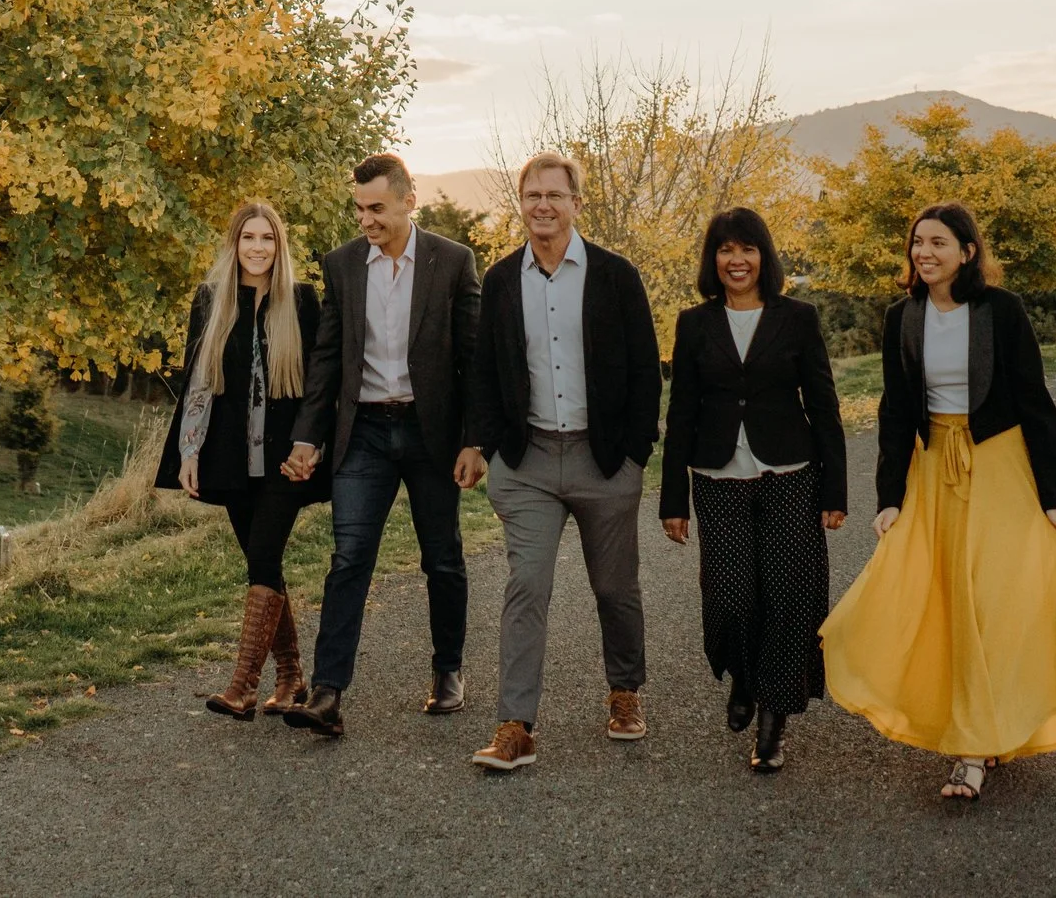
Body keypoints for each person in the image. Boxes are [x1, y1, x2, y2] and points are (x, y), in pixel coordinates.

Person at [820, 203, 1056, 800]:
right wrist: (890, 498)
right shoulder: (902, 317)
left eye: (938, 242)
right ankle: (975, 735)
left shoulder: (1002, 310)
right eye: (917, 242)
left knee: (992, 599)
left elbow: (1036, 402)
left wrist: (1055, 498)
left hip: (1000, 464)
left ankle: (977, 744)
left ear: (967, 252)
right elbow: (896, 412)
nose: (924, 252)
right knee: (946, 599)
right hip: (934, 469)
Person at [457, 151, 660, 772]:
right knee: (527, 586)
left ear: (576, 203)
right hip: (529, 462)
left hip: (605, 460)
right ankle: (516, 725)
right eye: (532, 195)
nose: (542, 205)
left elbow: (646, 370)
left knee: (614, 587)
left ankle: (624, 691)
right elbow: (485, 371)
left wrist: (635, 453)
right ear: (520, 204)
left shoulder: (615, 275)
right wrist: (478, 443)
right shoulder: (500, 280)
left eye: (554, 195)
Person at [280, 153, 482, 739]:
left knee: (441, 557)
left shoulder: (452, 261)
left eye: (377, 208)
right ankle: (327, 692)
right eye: (359, 208)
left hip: (430, 432)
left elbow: (473, 361)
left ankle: (448, 670)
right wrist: (307, 436)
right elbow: (327, 357)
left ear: (408, 201)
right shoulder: (342, 265)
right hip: (363, 432)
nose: (366, 219)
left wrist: (474, 441)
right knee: (349, 558)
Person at [658, 206, 846, 773]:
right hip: (717, 480)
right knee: (731, 599)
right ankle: (743, 675)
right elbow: (681, 413)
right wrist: (673, 499)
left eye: (747, 248)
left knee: (790, 599)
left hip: (791, 476)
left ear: (764, 256)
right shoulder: (695, 324)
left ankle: (772, 719)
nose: (736, 260)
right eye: (725, 249)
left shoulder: (798, 318)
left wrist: (834, 490)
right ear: (712, 259)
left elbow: (824, 405)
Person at [155, 200, 329, 719]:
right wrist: (189, 450)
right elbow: (199, 381)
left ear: (280, 245)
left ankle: (242, 686)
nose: (258, 247)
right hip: (231, 456)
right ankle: (292, 674)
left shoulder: (302, 300)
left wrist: (313, 445)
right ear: (235, 244)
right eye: (249, 237)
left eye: (267, 238)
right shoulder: (210, 300)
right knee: (261, 561)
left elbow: (321, 384)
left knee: (264, 555)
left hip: (286, 460)